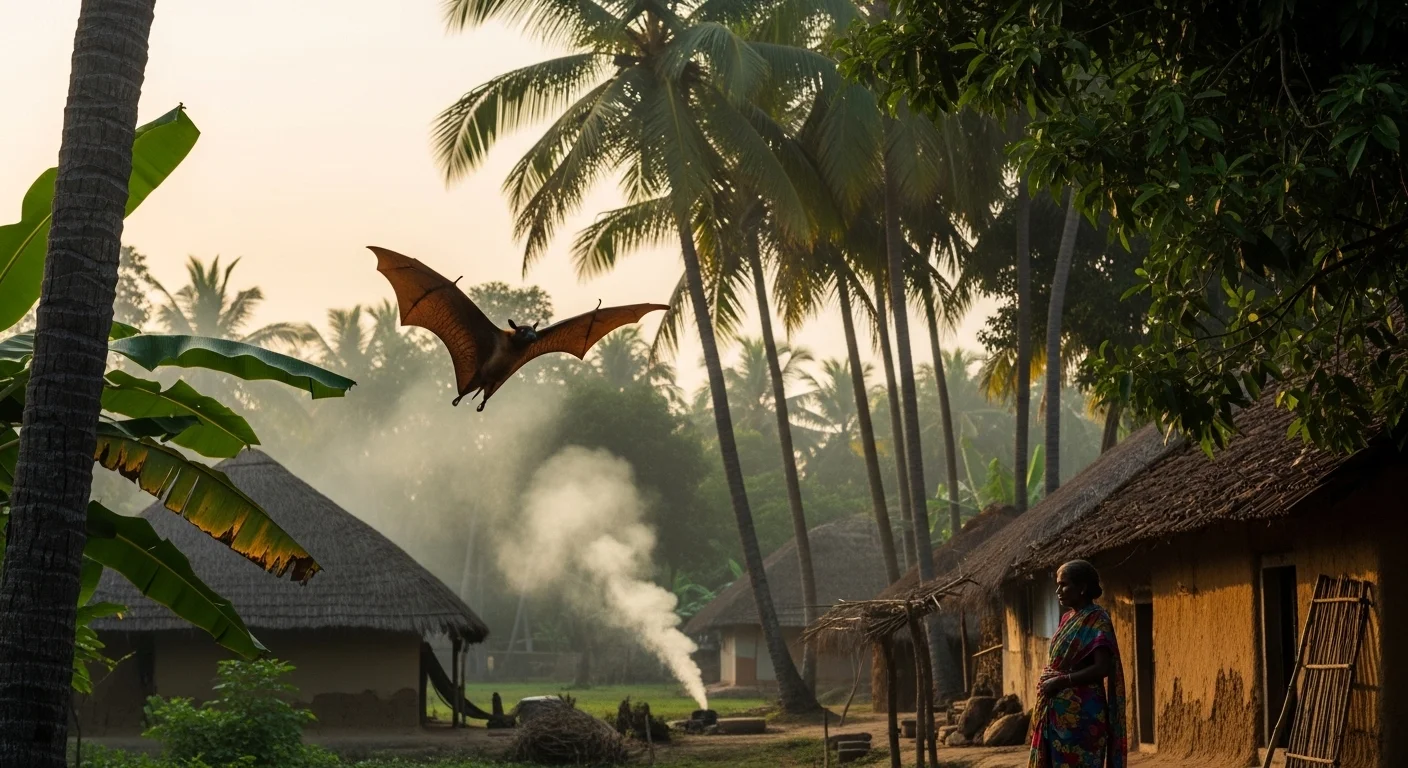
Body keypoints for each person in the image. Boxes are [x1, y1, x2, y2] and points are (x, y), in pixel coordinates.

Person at [1028, 559, 1128, 768]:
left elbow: (1102, 667)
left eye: (1063, 584)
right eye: (1057, 584)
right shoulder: (1067, 618)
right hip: (1056, 711)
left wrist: (1060, 682)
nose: (1058, 590)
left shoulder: (1097, 619)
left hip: (1082, 715)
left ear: (1082, 587)